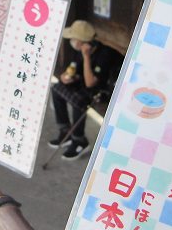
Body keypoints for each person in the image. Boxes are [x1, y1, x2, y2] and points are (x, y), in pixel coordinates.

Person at [49, 20, 120, 160]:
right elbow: (73, 70)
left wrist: (86, 56)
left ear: (82, 42)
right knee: (57, 88)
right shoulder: (79, 51)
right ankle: (65, 131)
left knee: (79, 99)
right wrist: (66, 77)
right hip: (86, 84)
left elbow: (90, 84)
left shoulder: (104, 54)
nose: (71, 41)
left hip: (104, 91)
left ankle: (79, 140)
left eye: (74, 39)